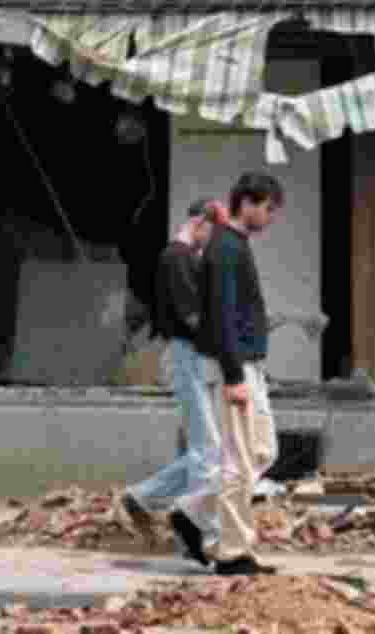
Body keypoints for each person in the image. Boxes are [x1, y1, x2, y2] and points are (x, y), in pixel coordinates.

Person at [172, 171, 285, 578]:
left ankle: (192, 511)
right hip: (233, 367)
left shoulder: (233, 245)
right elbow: (219, 317)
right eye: (268, 208)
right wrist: (235, 375)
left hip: (246, 364)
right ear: (248, 203)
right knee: (239, 462)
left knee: (261, 451)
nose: (271, 217)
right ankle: (232, 553)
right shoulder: (224, 249)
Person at [117, 198, 227, 560]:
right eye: (214, 232)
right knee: (206, 450)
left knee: (209, 449)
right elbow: (191, 317)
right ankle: (197, 537)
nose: (213, 242)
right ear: (199, 223)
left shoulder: (182, 258)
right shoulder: (177, 258)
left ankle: (144, 496)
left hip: (192, 355)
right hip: (188, 355)